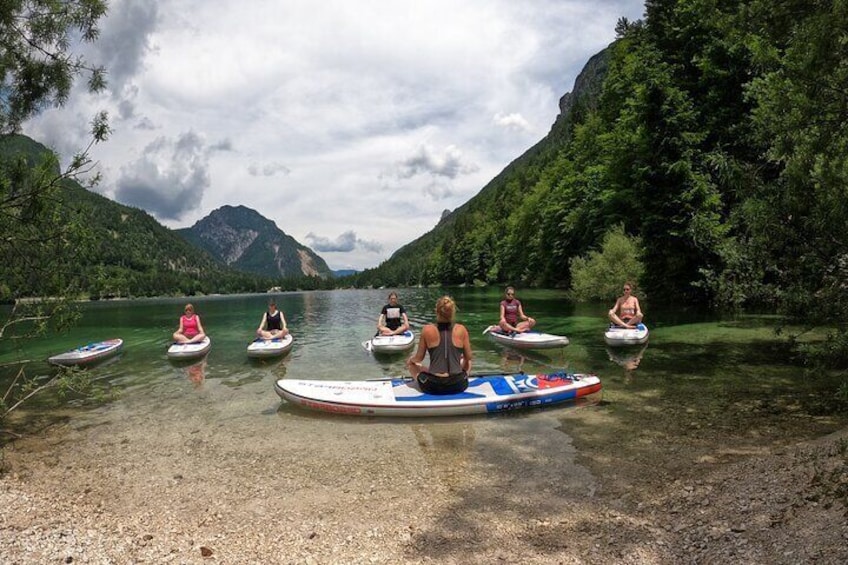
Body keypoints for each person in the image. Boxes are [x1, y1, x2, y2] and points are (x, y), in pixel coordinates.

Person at [406, 296, 473, 395]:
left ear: (436, 311)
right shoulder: (461, 329)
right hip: (458, 384)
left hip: (433, 386)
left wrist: (411, 360)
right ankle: (459, 374)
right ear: (453, 312)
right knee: (468, 361)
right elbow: (469, 357)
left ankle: (432, 373)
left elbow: (419, 358)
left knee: (413, 365)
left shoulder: (427, 329)